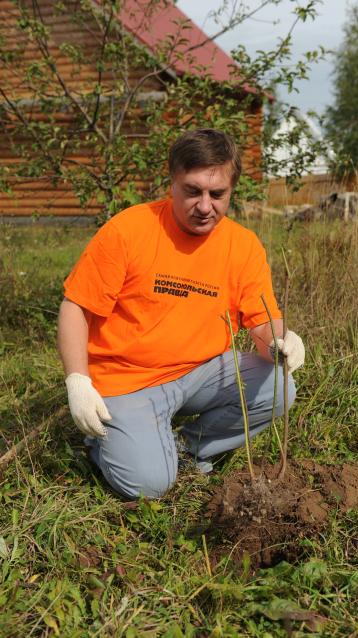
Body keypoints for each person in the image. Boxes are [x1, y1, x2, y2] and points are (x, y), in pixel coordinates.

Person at [58, 128, 304, 499]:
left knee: (280, 386)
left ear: (231, 190)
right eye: (192, 191)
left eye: (217, 194)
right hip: (127, 382)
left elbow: (261, 321)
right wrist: (78, 382)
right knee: (149, 485)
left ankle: (189, 446)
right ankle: (103, 444)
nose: (205, 206)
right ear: (172, 182)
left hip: (199, 373)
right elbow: (75, 306)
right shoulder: (129, 230)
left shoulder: (243, 246)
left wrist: (280, 343)